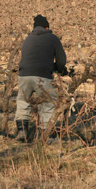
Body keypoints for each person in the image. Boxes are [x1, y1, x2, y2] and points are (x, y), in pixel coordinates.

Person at [14, 14, 67, 143]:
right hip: (43, 75)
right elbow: (61, 60)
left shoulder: (27, 39)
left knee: (22, 101)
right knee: (48, 102)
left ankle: (22, 131)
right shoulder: (53, 38)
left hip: (24, 75)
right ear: (47, 26)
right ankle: (45, 135)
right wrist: (59, 68)